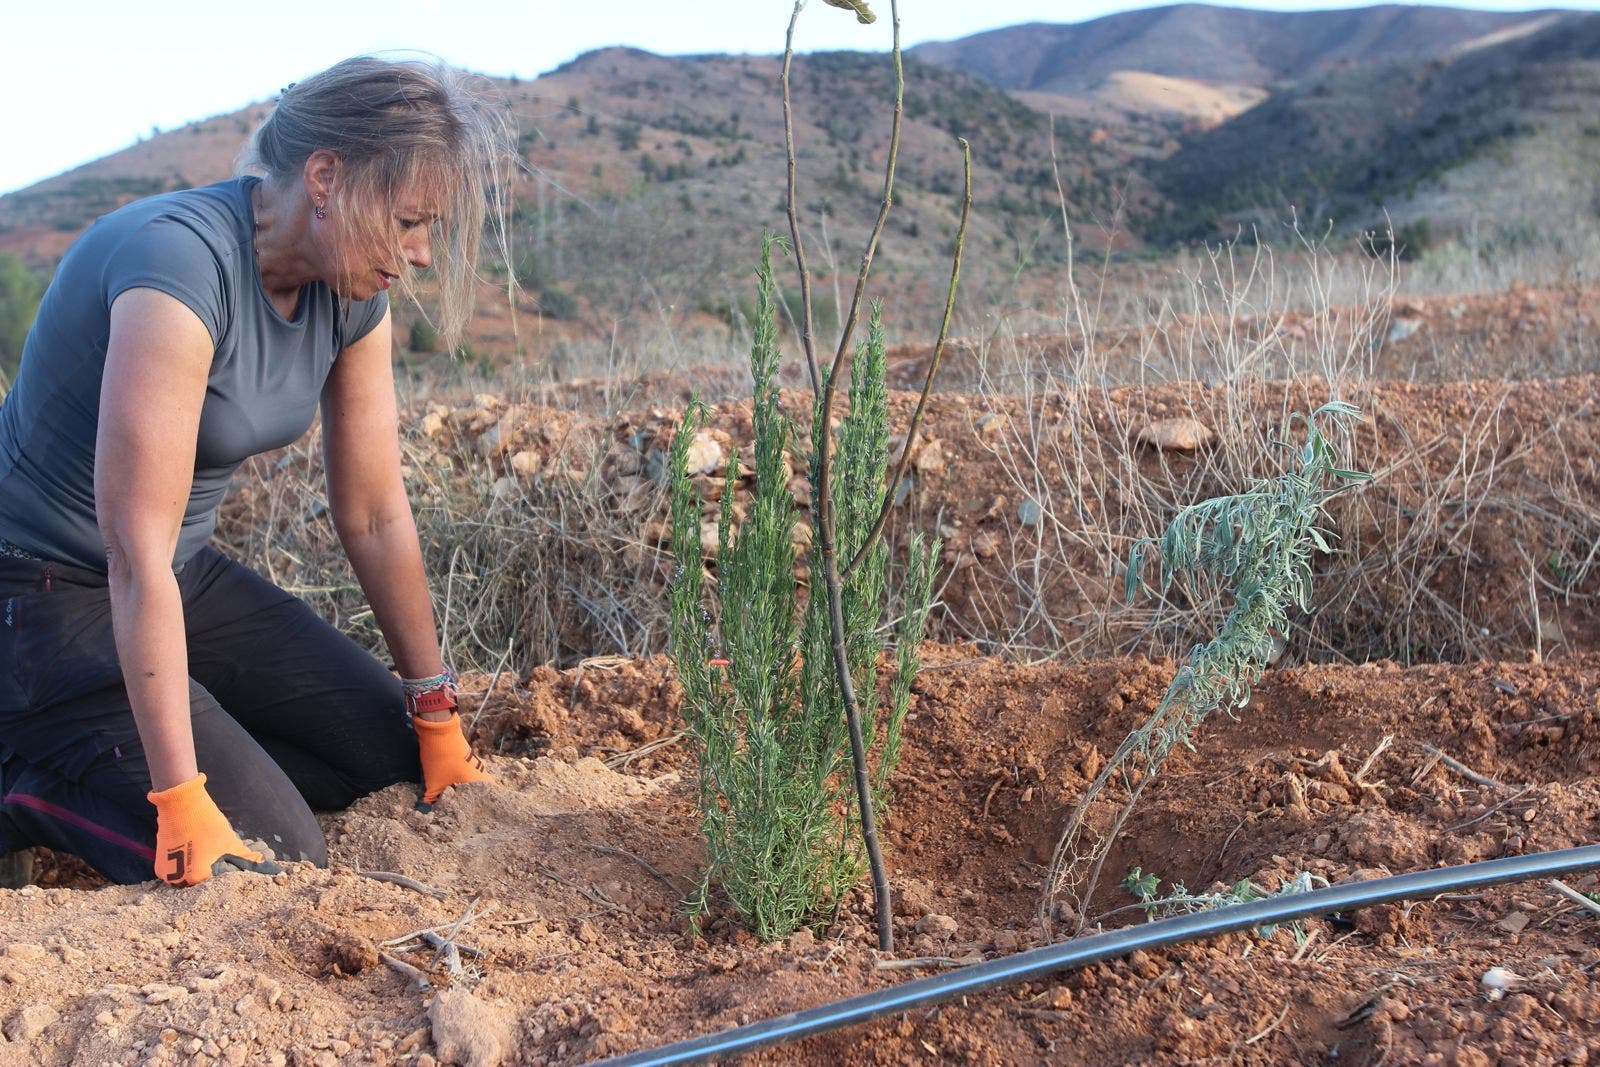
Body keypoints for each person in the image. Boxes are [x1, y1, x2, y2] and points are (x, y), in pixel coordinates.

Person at [0, 56, 511, 888]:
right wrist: (175, 791)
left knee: (386, 756)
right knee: (267, 860)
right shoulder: (177, 268)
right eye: (409, 221)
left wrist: (433, 706)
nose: (420, 254)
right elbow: (132, 554)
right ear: (325, 176)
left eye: (431, 230)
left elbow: (376, 512)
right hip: (39, 593)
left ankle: (160, 754)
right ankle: (23, 780)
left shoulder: (352, 290)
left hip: (174, 573)